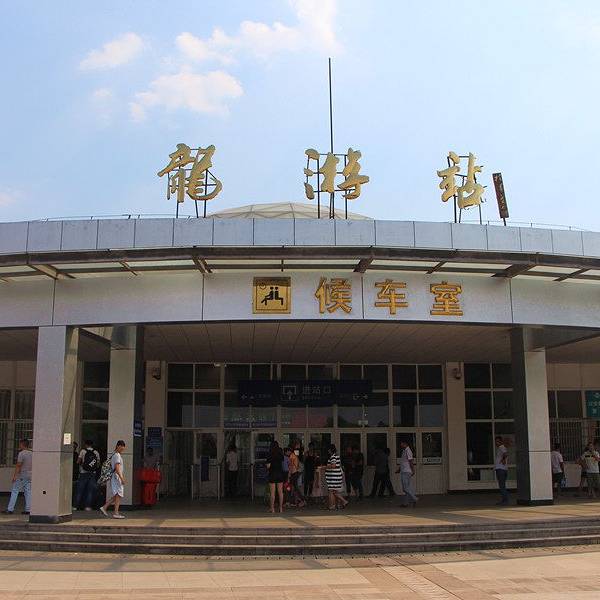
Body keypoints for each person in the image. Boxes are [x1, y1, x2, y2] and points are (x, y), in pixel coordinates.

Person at [2, 439, 32, 515]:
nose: (19, 446)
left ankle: (10, 509)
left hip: (22, 475)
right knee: (28, 492)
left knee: (15, 490)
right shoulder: (32, 453)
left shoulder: (21, 454)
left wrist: (15, 476)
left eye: (20, 444)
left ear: (22, 444)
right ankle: (28, 509)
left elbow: (18, 465)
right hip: (29, 475)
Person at [100, 440, 126, 519]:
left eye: (123, 448)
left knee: (118, 495)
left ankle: (105, 507)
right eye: (121, 447)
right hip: (116, 477)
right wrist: (121, 478)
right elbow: (117, 468)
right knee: (118, 494)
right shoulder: (117, 455)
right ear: (118, 446)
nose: (122, 449)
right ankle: (115, 513)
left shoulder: (114, 454)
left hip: (115, 477)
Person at [73, 439, 100, 511]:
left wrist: (82, 465)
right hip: (92, 473)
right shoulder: (96, 452)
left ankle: (75, 506)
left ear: (86, 444)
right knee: (90, 490)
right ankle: (87, 506)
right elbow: (98, 464)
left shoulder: (83, 451)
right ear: (92, 445)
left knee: (79, 490)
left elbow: (78, 461)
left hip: (83, 473)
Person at [325, 444, 348, 510]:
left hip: (333, 477)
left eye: (328, 449)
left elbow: (333, 465)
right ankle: (341, 502)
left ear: (330, 450)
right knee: (335, 491)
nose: (328, 451)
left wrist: (325, 467)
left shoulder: (333, 457)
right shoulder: (337, 456)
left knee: (331, 491)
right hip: (337, 476)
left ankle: (332, 505)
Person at [396, 440, 418, 507]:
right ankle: (406, 503)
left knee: (405, 488)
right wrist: (399, 469)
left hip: (406, 471)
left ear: (405, 443)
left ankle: (415, 498)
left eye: (401, 444)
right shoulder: (404, 451)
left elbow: (410, 461)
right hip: (404, 471)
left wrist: (413, 470)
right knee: (407, 488)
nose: (400, 445)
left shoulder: (408, 451)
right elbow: (403, 462)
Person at [267, 441, 285, 513]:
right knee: (280, 492)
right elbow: (282, 462)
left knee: (272, 493)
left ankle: (272, 508)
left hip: (272, 474)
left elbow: (268, 466)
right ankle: (281, 508)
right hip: (280, 473)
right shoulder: (280, 454)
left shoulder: (270, 454)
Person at [494, 436, 509, 505]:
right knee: (502, 485)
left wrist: (503, 460)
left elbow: (505, 454)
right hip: (503, 469)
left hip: (501, 469)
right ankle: (504, 500)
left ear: (501, 441)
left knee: (502, 486)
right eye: (495, 441)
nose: (496, 443)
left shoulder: (501, 447)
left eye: (497, 441)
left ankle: (505, 501)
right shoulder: (502, 447)